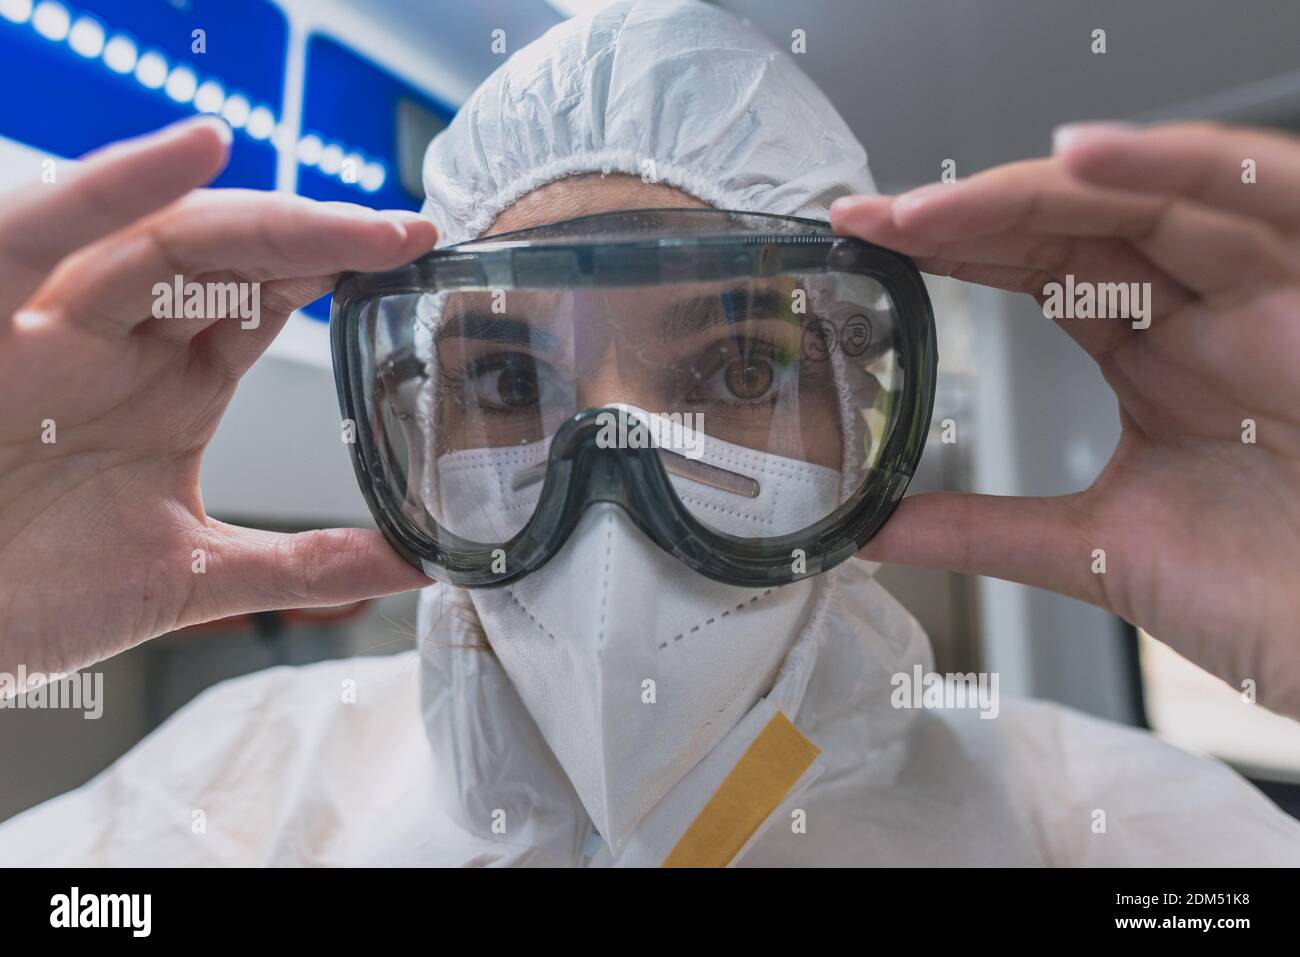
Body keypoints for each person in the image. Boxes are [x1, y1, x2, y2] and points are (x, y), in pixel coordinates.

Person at [1, 0, 1298, 866]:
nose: (613, 496)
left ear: (861, 418)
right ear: (411, 424)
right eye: (506, 383)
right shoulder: (236, 798)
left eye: (737, 365)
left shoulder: (1118, 837)